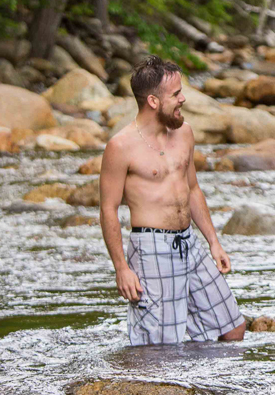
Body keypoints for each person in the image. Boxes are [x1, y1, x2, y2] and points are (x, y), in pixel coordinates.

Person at [99, 55, 246, 345]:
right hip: (151, 249)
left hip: (189, 243)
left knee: (231, 330)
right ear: (153, 101)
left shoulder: (184, 132)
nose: (183, 99)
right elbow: (108, 210)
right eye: (176, 94)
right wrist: (121, 269)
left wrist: (213, 241)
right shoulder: (121, 146)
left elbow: (192, 189)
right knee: (160, 349)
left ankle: (204, 386)